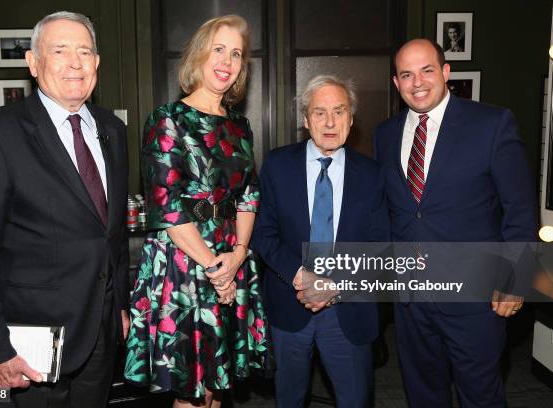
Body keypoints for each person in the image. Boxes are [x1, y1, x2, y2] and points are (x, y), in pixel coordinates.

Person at [0, 11, 129, 408]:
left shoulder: (112, 130)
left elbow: (111, 234)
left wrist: (118, 304)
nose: (75, 62)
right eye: (60, 51)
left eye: (85, 52)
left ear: (97, 64)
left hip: (101, 333)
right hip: (29, 342)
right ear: (33, 63)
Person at [373, 39, 537, 407]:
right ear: (396, 83)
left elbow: (521, 210)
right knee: (422, 393)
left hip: (476, 299)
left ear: (446, 73)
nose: (417, 82)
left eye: (427, 70)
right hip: (411, 300)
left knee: (480, 394)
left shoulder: (492, 123)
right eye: (406, 74)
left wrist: (516, 278)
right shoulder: (385, 134)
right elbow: (395, 211)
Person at [124, 14, 273, 408]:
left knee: (215, 386)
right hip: (184, 263)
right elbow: (168, 208)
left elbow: (248, 195)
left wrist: (238, 254)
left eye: (236, 53)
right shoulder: (167, 119)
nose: (226, 60)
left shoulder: (240, 126)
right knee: (192, 392)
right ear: (199, 55)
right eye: (218, 49)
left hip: (230, 258)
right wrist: (214, 267)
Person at [252, 75, 390, 408]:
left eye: (339, 112)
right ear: (305, 119)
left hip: (349, 310)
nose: (329, 122)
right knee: (288, 400)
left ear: (351, 119)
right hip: (289, 304)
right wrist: (302, 277)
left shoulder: (373, 174)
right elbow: (263, 233)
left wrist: (333, 285)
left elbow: (380, 244)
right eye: (319, 112)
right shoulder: (277, 165)